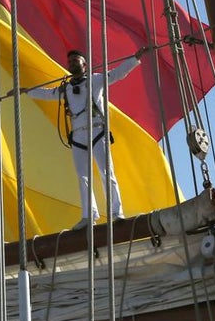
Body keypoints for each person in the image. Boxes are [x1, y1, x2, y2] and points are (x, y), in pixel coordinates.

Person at [25, 47, 146, 230]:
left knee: (107, 172)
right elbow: (48, 94)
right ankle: (89, 215)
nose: (72, 63)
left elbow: (115, 75)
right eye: (71, 61)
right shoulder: (65, 87)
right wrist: (26, 91)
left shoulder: (95, 80)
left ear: (84, 64)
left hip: (97, 130)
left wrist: (135, 59)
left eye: (76, 60)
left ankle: (116, 211)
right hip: (78, 135)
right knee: (83, 176)